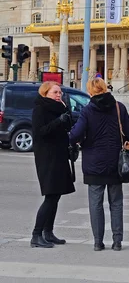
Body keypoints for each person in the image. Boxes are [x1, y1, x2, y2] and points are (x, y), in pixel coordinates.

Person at [69, 78, 129, 251]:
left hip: (94, 163)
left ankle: (98, 242)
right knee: (116, 203)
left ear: (90, 92)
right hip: (116, 163)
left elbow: (74, 135)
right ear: (105, 89)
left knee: (95, 203)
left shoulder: (88, 111)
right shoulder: (119, 107)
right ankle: (117, 242)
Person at [31, 81, 74, 248]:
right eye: (55, 92)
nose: (59, 95)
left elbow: (68, 128)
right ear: (45, 93)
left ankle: (48, 232)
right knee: (50, 196)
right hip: (47, 157)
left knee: (56, 195)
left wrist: (66, 113)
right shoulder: (40, 109)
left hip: (60, 155)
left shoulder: (59, 108)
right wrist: (58, 121)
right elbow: (40, 132)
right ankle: (36, 234)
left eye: (60, 93)